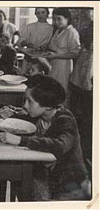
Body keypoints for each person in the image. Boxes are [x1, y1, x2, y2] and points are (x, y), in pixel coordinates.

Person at [0, 75, 91, 201]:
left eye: (29, 101)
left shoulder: (65, 119)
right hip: (50, 176)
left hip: (71, 186)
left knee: (28, 187)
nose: (25, 105)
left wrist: (20, 140)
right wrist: (9, 114)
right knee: (21, 180)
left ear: (47, 106)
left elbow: (60, 145)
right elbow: (26, 117)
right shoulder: (41, 114)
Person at [41, 8, 81, 106]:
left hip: (64, 66)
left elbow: (75, 53)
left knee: (61, 90)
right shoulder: (59, 30)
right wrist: (46, 47)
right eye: (54, 19)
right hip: (54, 64)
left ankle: (61, 113)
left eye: (59, 19)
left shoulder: (72, 32)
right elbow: (54, 46)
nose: (56, 22)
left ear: (67, 19)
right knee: (52, 89)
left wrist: (56, 55)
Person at [69, 10, 93, 163]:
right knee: (83, 118)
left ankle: (86, 155)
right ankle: (82, 154)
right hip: (82, 83)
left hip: (86, 83)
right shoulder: (87, 50)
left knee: (87, 120)